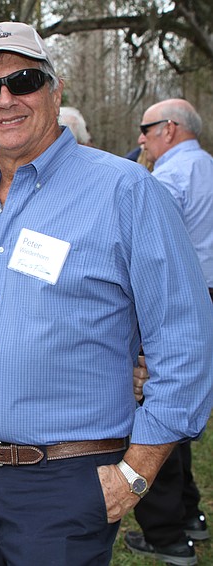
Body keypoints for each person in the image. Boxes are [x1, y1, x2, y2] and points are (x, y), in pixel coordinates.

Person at [0, 21, 213, 565]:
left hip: (68, 482)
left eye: (23, 81)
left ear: (55, 90)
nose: (4, 99)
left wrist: (135, 473)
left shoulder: (127, 191)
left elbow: (185, 338)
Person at [124, 98, 213, 564]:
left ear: (171, 128)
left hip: (172, 304)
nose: (141, 138)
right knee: (180, 410)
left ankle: (167, 535)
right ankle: (190, 516)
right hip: (204, 296)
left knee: (157, 411)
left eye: (147, 128)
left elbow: (150, 249)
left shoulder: (167, 178)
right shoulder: (207, 167)